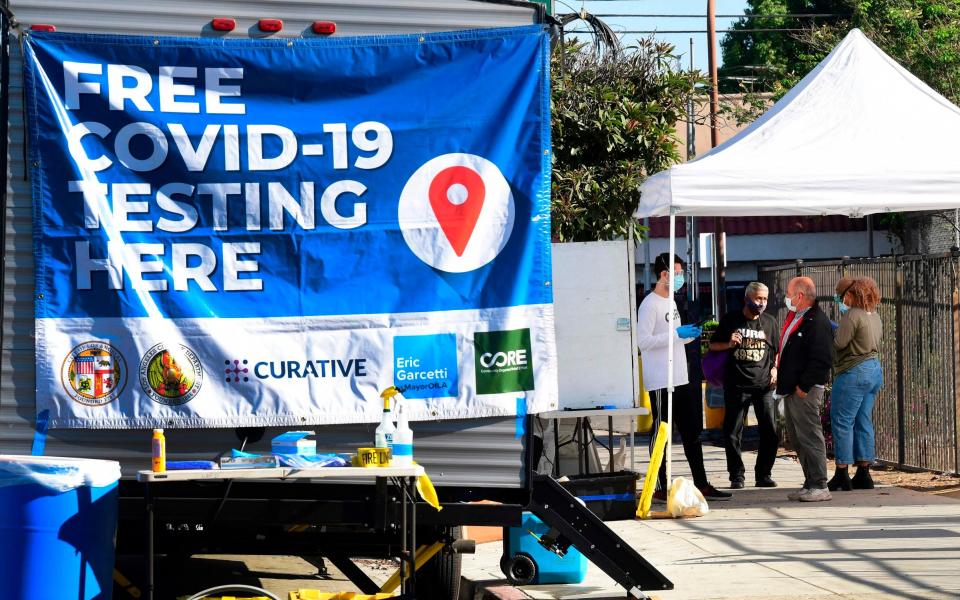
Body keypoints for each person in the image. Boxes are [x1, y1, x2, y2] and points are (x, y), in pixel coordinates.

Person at [637, 252, 731, 501]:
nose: (680, 278)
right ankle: (659, 485)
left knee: (691, 433)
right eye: (676, 273)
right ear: (664, 274)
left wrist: (689, 334)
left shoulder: (672, 303)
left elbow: (675, 338)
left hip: (681, 377)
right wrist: (676, 334)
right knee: (661, 434)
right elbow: (644, 342)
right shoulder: (649, 304)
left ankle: (702, 483)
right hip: (660, 381)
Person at [710, 282, 780, 489]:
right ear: (747, 298)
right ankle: (736, 475)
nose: (762, 303)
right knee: (732, 432)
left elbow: (776, 350)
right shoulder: (731, 320)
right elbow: (713, 345)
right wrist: (728, 344)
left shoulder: (770, 322)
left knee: (770, 431)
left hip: (764, 385)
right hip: (736, 384)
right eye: (758, 298)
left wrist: (775, 369)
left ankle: (764, 475)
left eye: (765, 299)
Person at [776, 276, 835, 502]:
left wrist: (803, 386)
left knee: (809, 435)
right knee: (798, 437)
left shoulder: (816, 321)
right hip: (793, 388)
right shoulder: (798, 317)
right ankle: (810, 482)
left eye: (789, 294)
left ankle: (820, 484)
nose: (786, 298)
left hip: (805, 390)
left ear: (799, 296)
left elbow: (822, 358)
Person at [827, 276, 883, 491]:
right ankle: (864, 472)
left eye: (841, 296)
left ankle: (842, 472)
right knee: (863, 420)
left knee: (842, 421)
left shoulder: (852, 314)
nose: (840, 300)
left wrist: (832, 329)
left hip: (854, 371)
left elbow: (840, 343)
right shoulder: (874, 315)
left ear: (849, 294)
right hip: (874, 370)